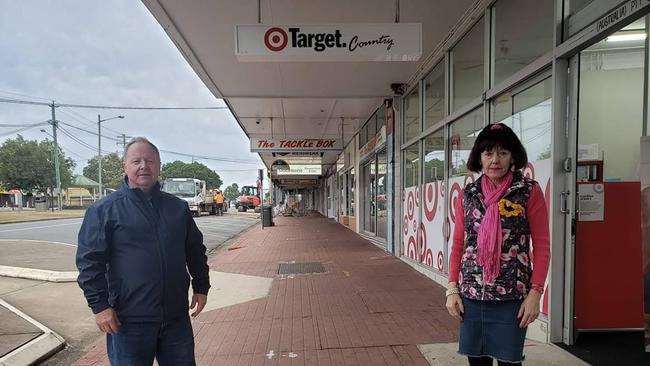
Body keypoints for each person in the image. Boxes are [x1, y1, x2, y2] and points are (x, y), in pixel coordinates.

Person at [76, 137, 210, 365]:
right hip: (128, 321)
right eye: (136, 161)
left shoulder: (177, 208)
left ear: (159, 166)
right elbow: (89, 263)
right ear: (125, 166)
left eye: (150, 161)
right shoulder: (104, 211)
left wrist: (201, 286)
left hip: (175, 319)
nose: (143, 166)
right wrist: (100, 307)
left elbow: (195, 250)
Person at [445, 123, 550, 366]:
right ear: (479, 157)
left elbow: (542, 246)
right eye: (488, 153)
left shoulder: (528, 191)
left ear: (512, 156)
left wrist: (535, 293)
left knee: (510, 362)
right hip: (471, 296)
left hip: (512, 299)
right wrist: (452, 290)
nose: (495, 160)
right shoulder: (468, 194)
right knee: (477, 362)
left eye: (503, 153)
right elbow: (459, 244)